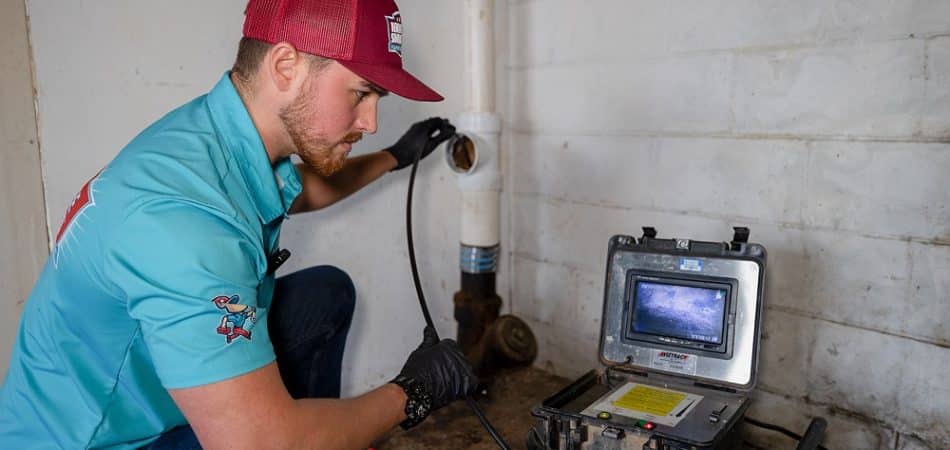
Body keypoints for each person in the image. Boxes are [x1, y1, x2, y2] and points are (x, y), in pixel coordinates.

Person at [0, 0, 477, 448]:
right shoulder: (181, 224)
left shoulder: (213, 136)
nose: (370, 121)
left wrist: (396, 157)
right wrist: (410, 393)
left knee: (326, 295)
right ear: (286, 67)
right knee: (274, 435)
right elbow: (257, 444)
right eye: (360, 93)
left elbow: (302, 190)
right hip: (103, 439)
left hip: (138, 390)